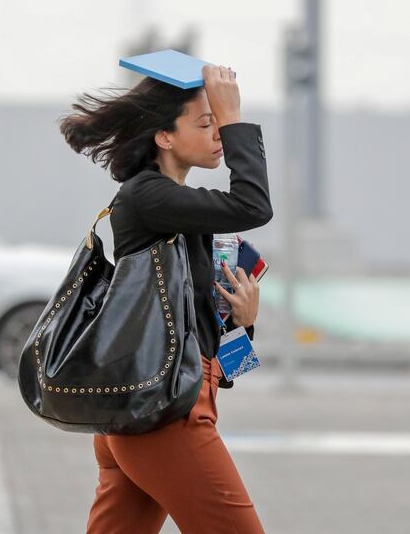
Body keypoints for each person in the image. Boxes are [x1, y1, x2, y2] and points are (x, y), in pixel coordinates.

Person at [59, 63, 272, 533]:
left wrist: (243, 324)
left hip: (159, 409)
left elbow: (224, 371)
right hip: (164, 419)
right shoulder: (147, 198)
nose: (218, 132)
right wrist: (235, 117)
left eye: (219, 123)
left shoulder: (177, 208)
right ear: (165, 137)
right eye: (206, 122)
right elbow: (254, 207)